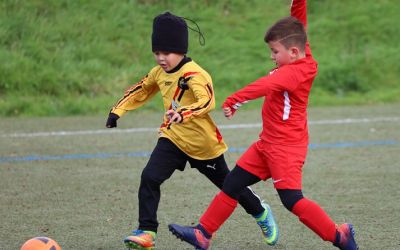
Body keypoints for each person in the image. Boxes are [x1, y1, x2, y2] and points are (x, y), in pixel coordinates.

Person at [168, 1, 358, 250]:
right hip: (268, 143)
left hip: (286, 148)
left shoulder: (296, 72)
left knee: (292, 200)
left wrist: (236, 99)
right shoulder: (300, 52)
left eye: (274, 52)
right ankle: (203, 233)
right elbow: (299, 24)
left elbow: (266, 86)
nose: (271, 56)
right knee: (233, 183)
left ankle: (339, 236)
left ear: (292, 52)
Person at [105, 11, 279, 249]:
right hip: (173, 138)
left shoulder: (195, 74)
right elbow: (141, 90)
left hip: (202, 144)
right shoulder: (158, 72)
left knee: (229, 186)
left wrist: (183, 112)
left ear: (181, 50)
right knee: (149, 177)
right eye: (157, 53)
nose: (160, 58)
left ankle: (260, 212)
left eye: (166, 53)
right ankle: (147, 231)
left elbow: (207, 101)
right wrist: (117, 111)